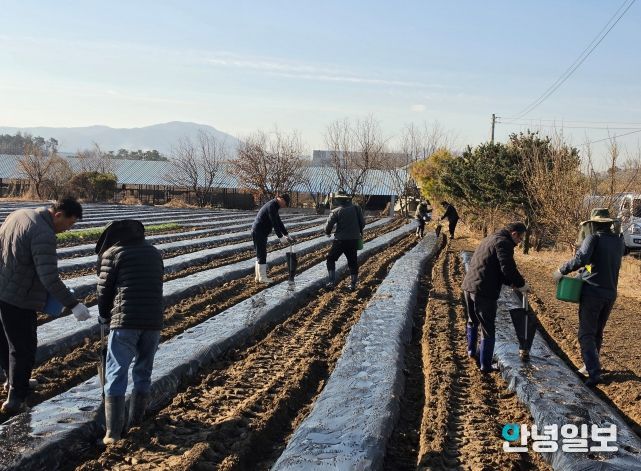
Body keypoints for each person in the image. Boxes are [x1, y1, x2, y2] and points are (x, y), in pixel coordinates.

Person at [0, 197, 91, 414]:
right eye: (70, 223)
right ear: (58, 215)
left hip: (3, 288)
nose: (68, 229)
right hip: (18, 298)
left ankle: (13, 381)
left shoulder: (19, 215)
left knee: (5, 341)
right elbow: (49, 277)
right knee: (24, 348)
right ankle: (16, 398)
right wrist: (73, 305)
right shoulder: (44, 233)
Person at [96, 219, 164, 444]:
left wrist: (104, 315)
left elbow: (104, 291)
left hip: (125, 322)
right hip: (153, 321)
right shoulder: (154, 253)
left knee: (116, 371)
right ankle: (136, 422)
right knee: (143, 370)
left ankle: (113, 433)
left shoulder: (114, 254)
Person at [554, 213, 624, 387]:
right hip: (610, 293)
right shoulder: (618, 241)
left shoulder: (593, 238)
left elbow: (581, 258)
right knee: (597, 332)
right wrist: (583, 272)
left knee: (586, 334)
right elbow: (597, 262)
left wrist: (562, 270)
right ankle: (589, 366)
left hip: (592, 293)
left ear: (593, 224)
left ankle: (593, 372)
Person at [461, 222, 529, 372]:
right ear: (514, 234)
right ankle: (485, 365)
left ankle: (471, 351)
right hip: (484, 290)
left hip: (469, 285)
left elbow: (495, 267)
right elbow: (507, 268)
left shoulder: (491, 238)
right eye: (520, 238)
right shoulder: (504, 243)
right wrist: (521, 284)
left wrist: (510, 282)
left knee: (472, 320)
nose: (520, 242)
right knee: (488, 328)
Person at [325, 192, 366, 291]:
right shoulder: (357, 209)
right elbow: (363, 224)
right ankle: (353, 284)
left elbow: (328, 226)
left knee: (331, 259)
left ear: (339, 200)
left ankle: (331, 282)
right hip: (353, 240)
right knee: (352, 261)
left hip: (340, 241)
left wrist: (328, 232)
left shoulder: (336, 211)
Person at [251, 194, 294, 284]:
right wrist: (280, 237)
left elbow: (279, 222)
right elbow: (274, 223)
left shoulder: (275, 205)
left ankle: (258, 277)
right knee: (262, 254)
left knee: (260, 254)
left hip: (260, 231)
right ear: (281, 199)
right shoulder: (272, 206)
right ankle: (262, 277)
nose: (284, 206)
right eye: (285, 203)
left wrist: (286, 234)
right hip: (259, 231)